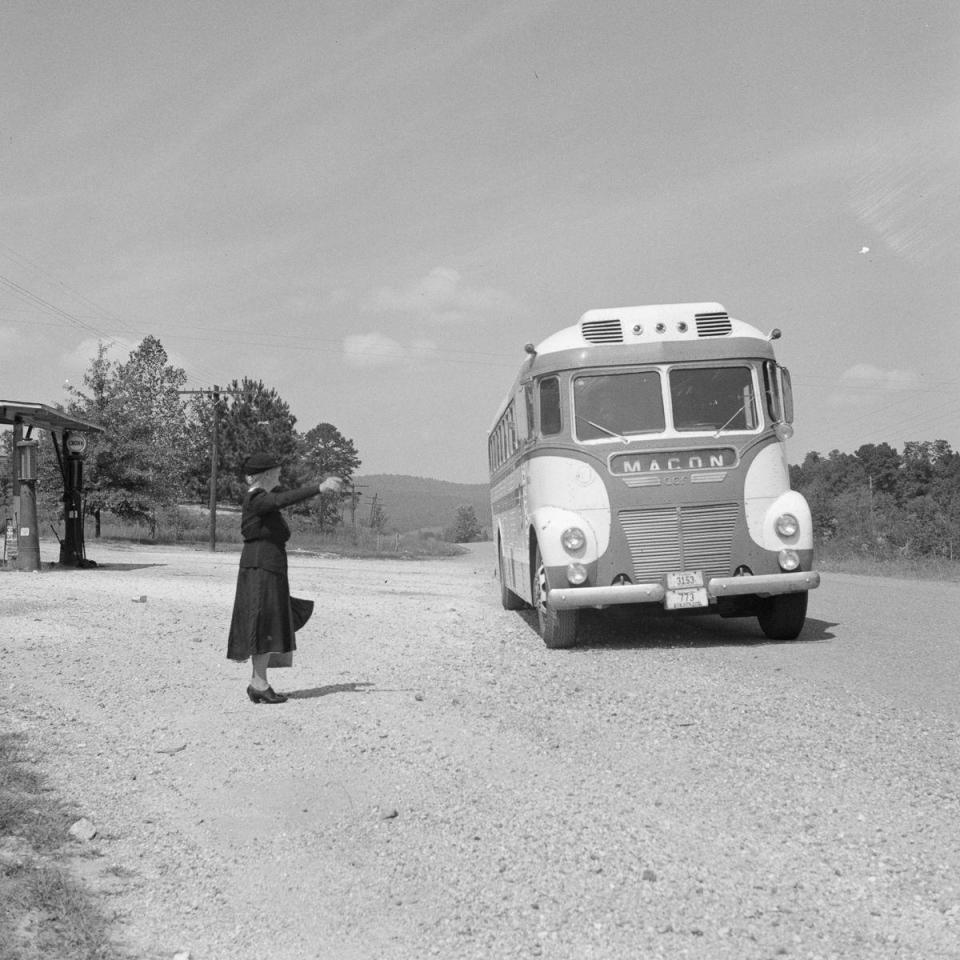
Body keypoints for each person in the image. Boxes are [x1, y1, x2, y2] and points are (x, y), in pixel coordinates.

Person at [227, 451, 344, 704]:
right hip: (261, 568)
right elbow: (282, 500)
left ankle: (258, 682)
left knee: (268, 622)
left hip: (268, 567)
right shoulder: (257, 498)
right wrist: (319, 488)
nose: (280, 474)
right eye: (277, 471)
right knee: (263, 623)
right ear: (267, 474)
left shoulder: (261, 498)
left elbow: (279, 501)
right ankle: (258, 683)